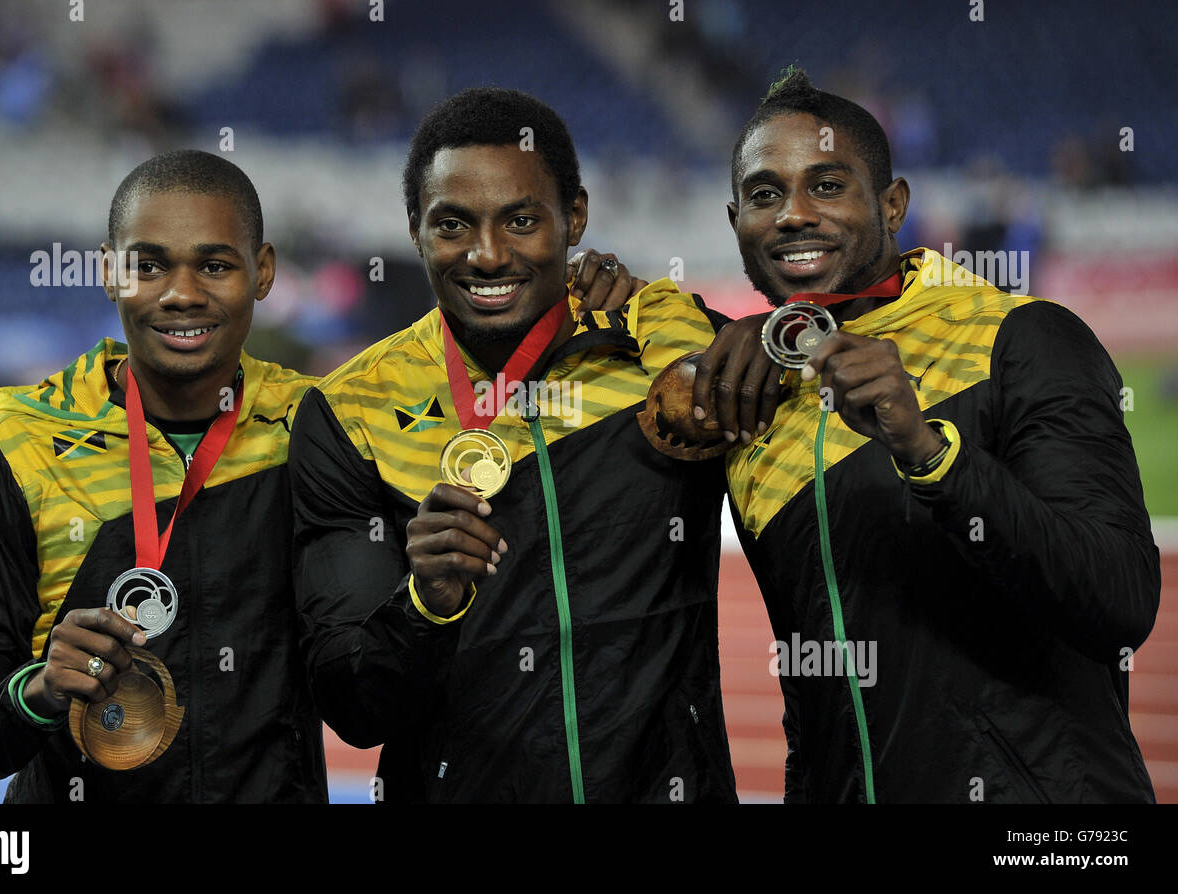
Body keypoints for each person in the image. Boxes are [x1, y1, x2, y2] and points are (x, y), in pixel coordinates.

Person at [690, 68, 1159, 802]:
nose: (793, 214)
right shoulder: (757, 392)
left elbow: (1120, 604)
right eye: (765, 194)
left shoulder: (1022, 337)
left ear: (893, 203)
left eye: (828, 185)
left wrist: (929, 453)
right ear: (735, 222)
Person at [289, 87, 737, 803]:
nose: (487, 255)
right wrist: (425, 607)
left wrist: (663, 309)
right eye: (453, 225)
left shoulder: (667, 363)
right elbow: (352, 706)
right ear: (414, 230)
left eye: (522, 220)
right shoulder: (350, 412)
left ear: (576, 216)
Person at [0, 150, 329, 802]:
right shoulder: (20, 444)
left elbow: (374, 693)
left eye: (215, 265)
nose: (182, 293)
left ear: (264, 271)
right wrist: (41, 690)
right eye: (149, 265)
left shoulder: (316, 430)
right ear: (108, 271)